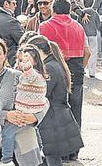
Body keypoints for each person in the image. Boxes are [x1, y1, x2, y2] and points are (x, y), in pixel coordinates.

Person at [0, 37, 48, 166]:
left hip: (20, 143)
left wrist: (33, 117)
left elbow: (43, 99)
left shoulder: (17, 76)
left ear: (5, 56)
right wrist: (6, 116)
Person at [28, 35, 84, 164]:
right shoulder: (53, 64)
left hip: (51, 118)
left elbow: (42, 93)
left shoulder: (49, 67)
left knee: (51, 157)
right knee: (51, 158)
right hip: (55, 117)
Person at [39, 0, 87, 144]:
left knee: (56, 108)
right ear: (69, 10)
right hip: (76, 69)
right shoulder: (79, 26)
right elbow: (88, 52)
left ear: (53, 10)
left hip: (54, 70)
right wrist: (81, 67)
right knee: (75, 109)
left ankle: (59, 147)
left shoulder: (45, 26)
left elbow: (38, 51)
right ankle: (74, 148)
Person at [0, 44, 48, 165]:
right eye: (21, 60)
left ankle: (6, 159)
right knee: (34, 128)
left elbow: (28, 71)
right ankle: (41, 149)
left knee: (7, 133)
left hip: (23, 112)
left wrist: (24, 62)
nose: (23, 62)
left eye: (27, 59)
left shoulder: (32, 75)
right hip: (28, 111)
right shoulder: (30, 75)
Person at [80, 0, 101, 78]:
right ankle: (92, 72)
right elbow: (98, 24)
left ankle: (83, 68)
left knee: (83, 52)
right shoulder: (95, 13)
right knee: (93, 52)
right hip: (93, 34)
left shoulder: (81, 12)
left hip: (83, 34)